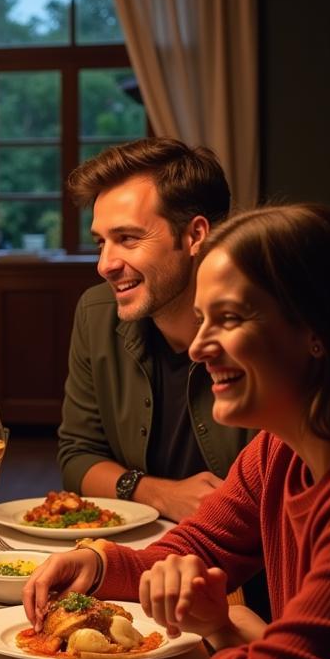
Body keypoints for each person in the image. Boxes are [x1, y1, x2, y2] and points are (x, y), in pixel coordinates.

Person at [23, 204, 330, 659]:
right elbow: (188, 550)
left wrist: (224, 624)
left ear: (315, 330)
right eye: (201, 320)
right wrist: (99, 559)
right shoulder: (278, 451)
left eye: (229, 318)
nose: (199, 346)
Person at [59, 138, 253, 523]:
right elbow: (77, 455)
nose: (105, 264)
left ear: (195, 235)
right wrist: (159, 494)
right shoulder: (97, 314)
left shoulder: (266, 325)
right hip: (141, 553)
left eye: (128, 238)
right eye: (101, 242)